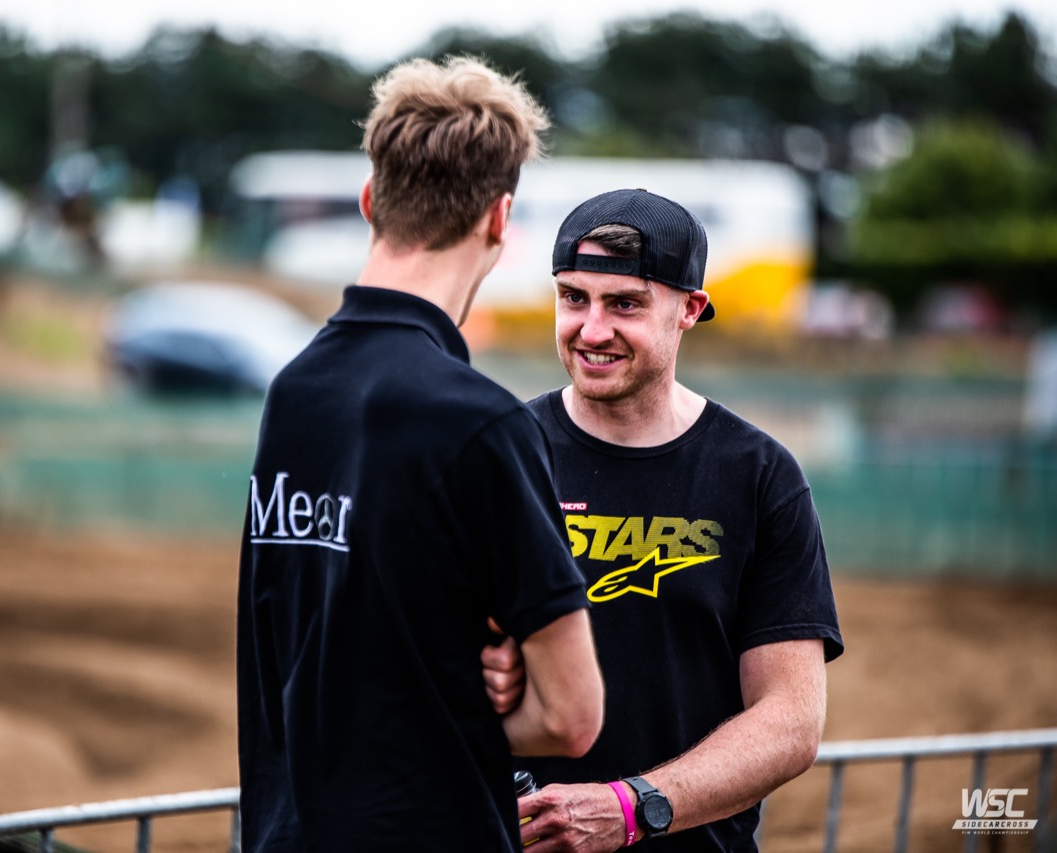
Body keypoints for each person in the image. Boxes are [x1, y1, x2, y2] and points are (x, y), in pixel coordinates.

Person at [236, 56, 606, 853]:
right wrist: (490, 694)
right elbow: (572, 717)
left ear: (371, 199)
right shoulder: (480, 423)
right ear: (500, 218)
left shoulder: (294, 391)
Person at [481, 188, 844, 851]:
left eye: (625, 304)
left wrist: (632, 807)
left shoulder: (759, 475)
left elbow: (791, 720)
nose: (592, 330)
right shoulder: (493, 456)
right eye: (574, 298)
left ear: (689, 310)